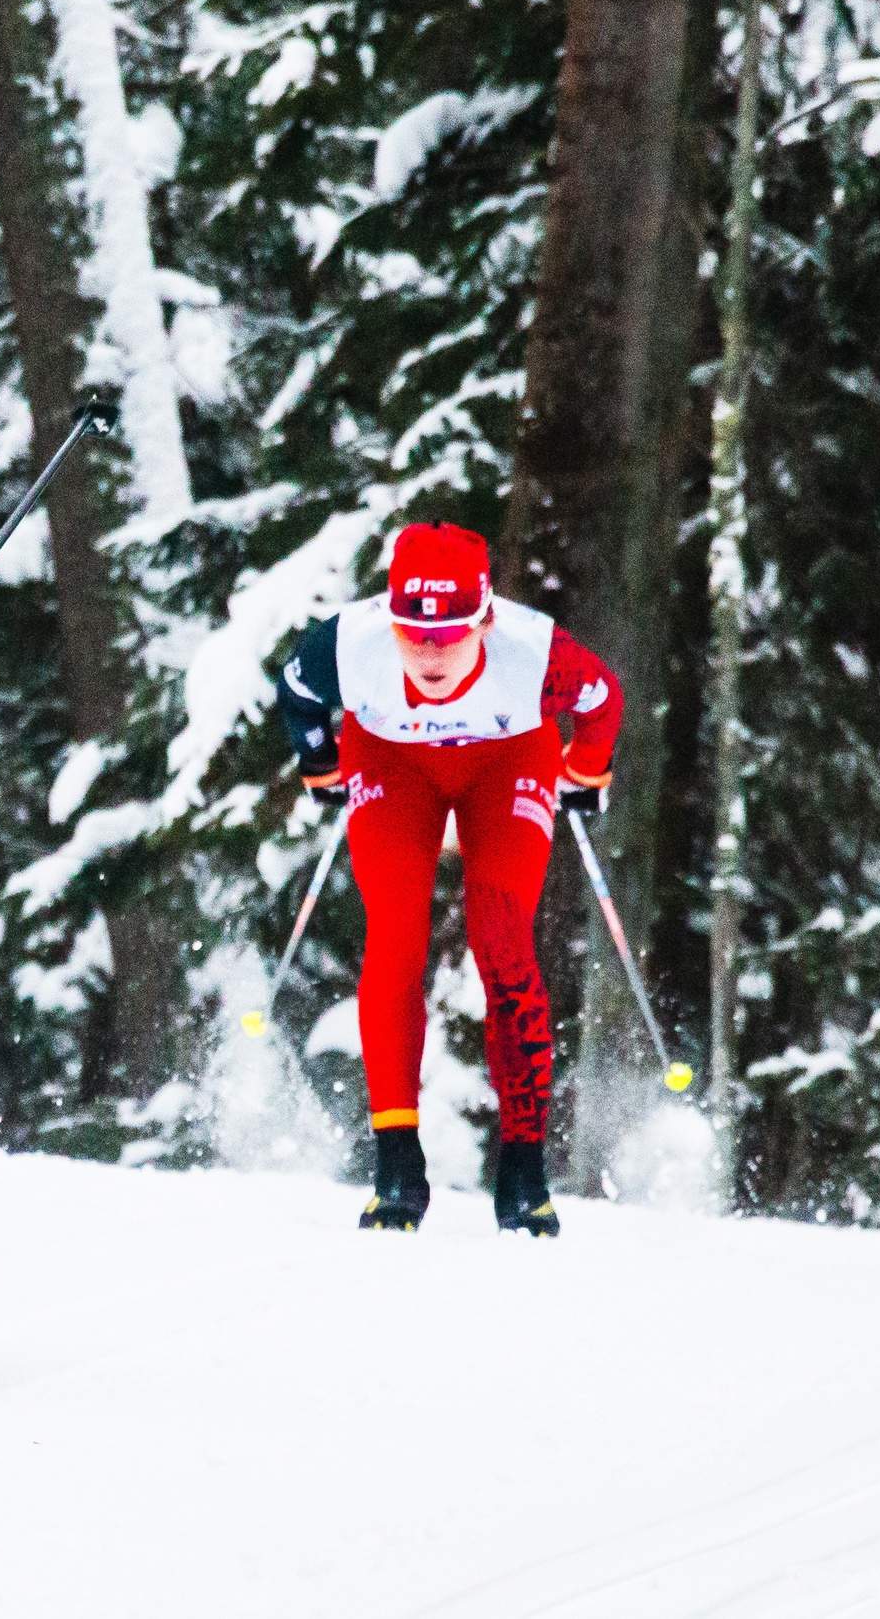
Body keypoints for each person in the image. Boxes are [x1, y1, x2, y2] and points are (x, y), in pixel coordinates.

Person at [273, 522, 620, 1236]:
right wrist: (320, 766)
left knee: (503, 940)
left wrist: (585, 772)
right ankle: (397, 1166)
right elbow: (297, 695)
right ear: (390, 615)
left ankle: (523, 1171)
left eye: (452, 633)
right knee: (395, 936)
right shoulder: (348, 644)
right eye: (412, 631)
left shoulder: (535, 654)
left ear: (485, 617)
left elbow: (603, 700)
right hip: (392, 764)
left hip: (507, 761)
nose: (430, 651)